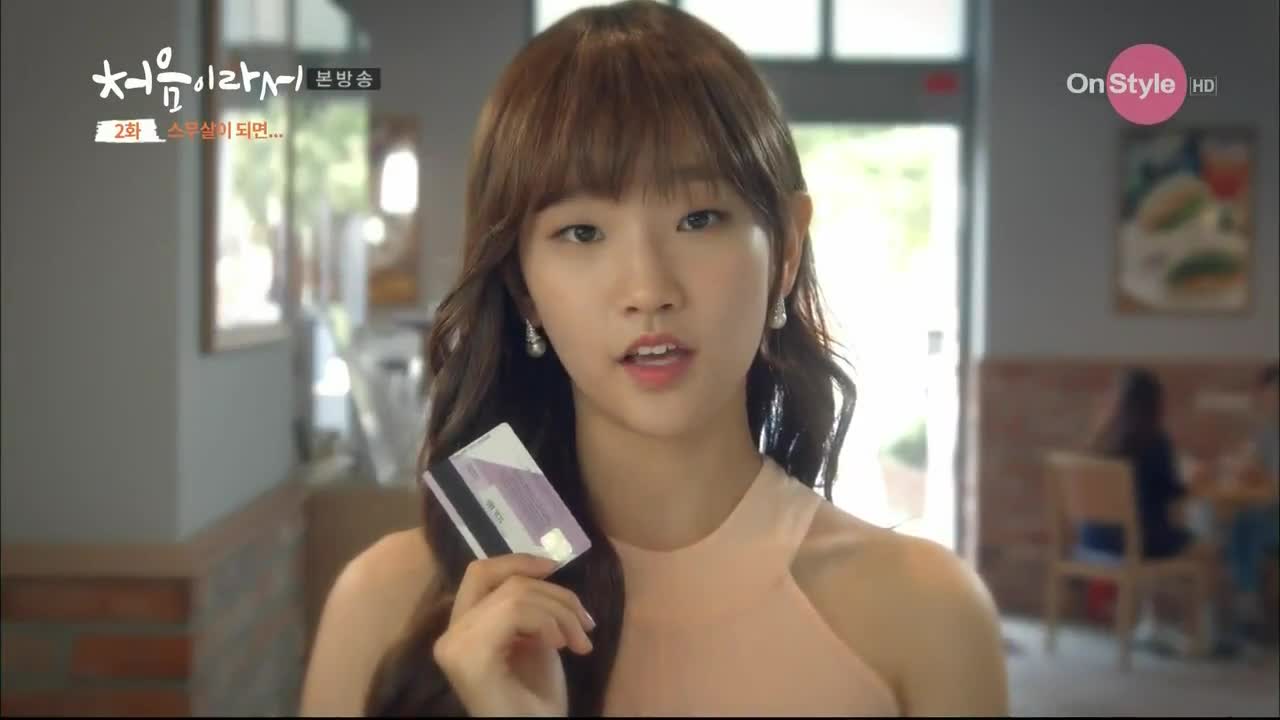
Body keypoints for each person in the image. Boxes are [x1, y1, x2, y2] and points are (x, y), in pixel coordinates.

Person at [300, 2, 1007, 717]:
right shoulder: (387, 610)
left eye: (699, 219)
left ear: (787, 250)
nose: (647, 290)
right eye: (582, 232)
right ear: (523, 285)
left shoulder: (926, 616)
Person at [1079, 368, 1194, 560]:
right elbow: (1169, 492)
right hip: (1135, 545)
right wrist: (1190, 481)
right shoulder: (1155, 442)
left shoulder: (1101, 440)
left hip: (1090, 543)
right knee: (1197, 539)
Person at [1221, 362, 1279, 643]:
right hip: (1266, 513)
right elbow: (1253, 469)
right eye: (1269, 393)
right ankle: (1247, 607)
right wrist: (1242, 468)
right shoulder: (1265, 433)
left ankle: (1247, 612)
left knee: (1249, 528)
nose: (1272, 400)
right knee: (1240, 525)